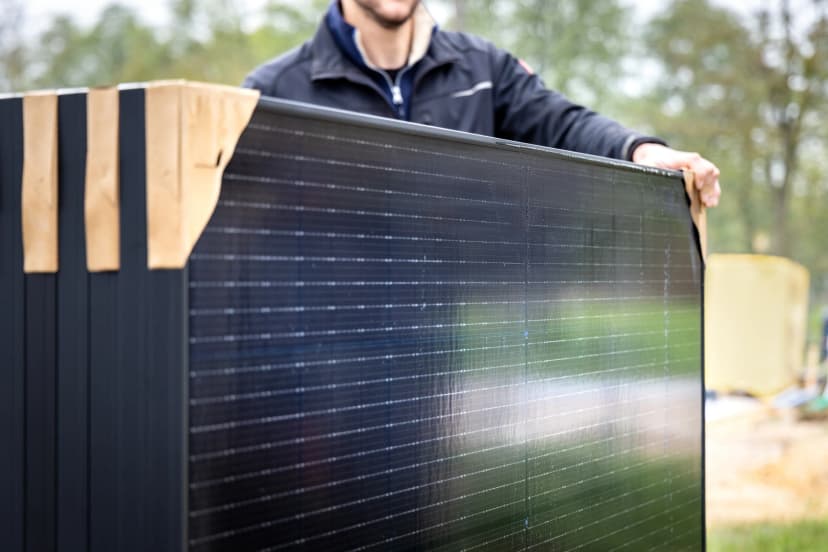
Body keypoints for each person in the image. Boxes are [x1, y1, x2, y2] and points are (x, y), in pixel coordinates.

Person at [243, 0, 721, 207]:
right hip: (313, 357)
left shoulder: (482, 72)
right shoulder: (274, 92)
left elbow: (561, 123)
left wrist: (641, 151)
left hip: (437, 355)